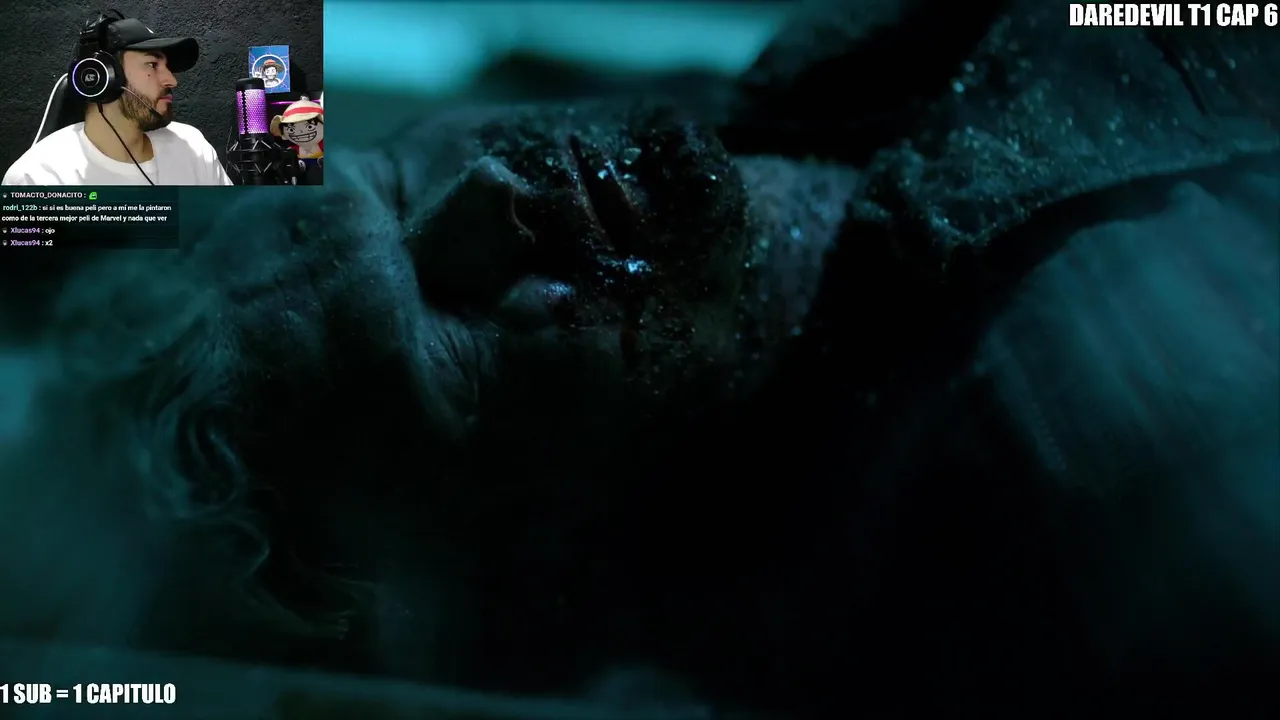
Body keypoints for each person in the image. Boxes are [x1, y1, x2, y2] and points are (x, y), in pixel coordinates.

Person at [0, 1, 1275, 718]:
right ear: (537, 554)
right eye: (442, 344)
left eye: (392, 180)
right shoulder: (1116, 421)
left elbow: (100, 83)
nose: (486, 195)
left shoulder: (739, 157)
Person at [2, 13, 231, 186]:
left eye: (167, 67)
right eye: (153, 64)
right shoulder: (37, 179)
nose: (172, 80)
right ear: (102, 76)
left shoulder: (192, 148)